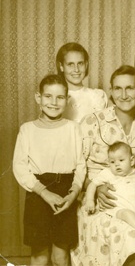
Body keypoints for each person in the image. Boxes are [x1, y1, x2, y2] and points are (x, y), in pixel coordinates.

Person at [71, 65, 135, 266]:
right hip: (103, 206)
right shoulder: (92, 122)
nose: (124, 95)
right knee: (131, 239)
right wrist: (97, 189)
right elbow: (77, 168)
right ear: (111, 91)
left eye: (130, 88)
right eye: (118, 89)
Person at [13, 74, 86, 265]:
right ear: (38, 98)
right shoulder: (27, 129)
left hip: (66, 194)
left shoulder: (73, 128)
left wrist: (75, 192)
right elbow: (20, 167)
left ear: (67, 100)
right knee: (39, 255)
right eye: (48, 96)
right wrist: (44, 193)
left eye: (60, 97)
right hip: (38, 194)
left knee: (61, 255)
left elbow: (80, 164)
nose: (53, 102)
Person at [56, 42, 108, 123]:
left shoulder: (97, 96)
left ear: (86, 65)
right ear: (61, 66)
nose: (76, 69)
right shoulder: (55, 97)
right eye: (70, 64)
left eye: (80, 63)